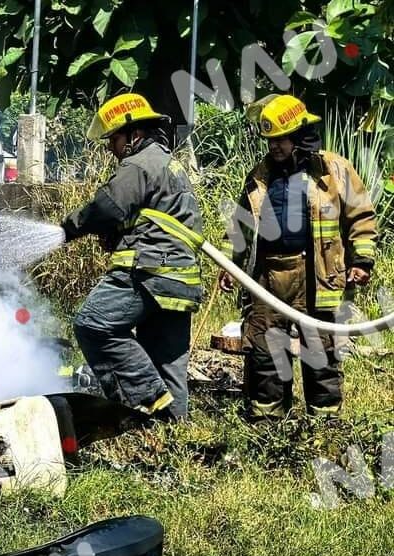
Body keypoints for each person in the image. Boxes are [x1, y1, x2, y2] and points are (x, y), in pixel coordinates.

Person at [218, 94, 377, 420]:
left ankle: (325, 426)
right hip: (267, 278)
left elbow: (361, 216)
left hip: (316, 275)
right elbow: (240, 225)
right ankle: (267, 425)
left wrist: (361, 261)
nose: (274, 146)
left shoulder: (334, 170)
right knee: (265, 351)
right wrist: (229, 266)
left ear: (300, 136)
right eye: (270, 140)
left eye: (281, 139)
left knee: (320, 352)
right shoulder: (260, 174)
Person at [61, 94, 204, 420]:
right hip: (180, 278)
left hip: (149, 269)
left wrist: (68, 229)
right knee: (166, 359)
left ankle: (144, 407)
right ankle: (173, 435)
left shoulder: (138, 164)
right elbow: (154, 216)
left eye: (113, 138)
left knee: (93, 325)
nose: (111, 146)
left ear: (133, 135)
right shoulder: (169, 163)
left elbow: (107, 206)